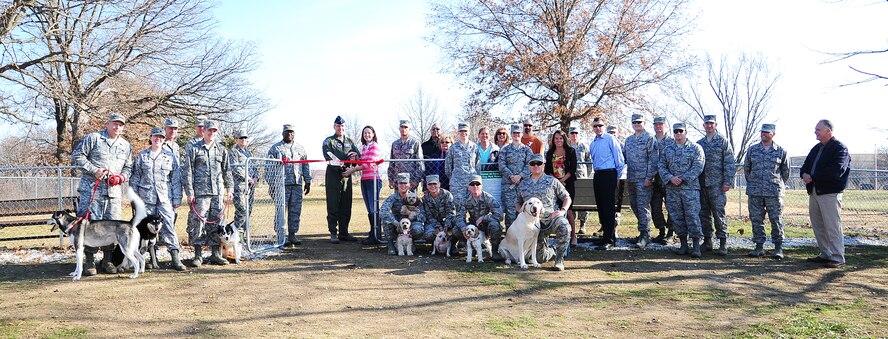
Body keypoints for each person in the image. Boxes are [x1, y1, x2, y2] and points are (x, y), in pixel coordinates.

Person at [71, 113, 133, 275]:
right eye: (114, 124)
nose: (117, 127)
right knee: (89, 225)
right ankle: (89, 262)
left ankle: (107, 260)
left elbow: (128, 167)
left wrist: (121, 177)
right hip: (92, 191)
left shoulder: (125, 145)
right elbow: (77, 156)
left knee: (111, 227)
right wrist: (94, 170)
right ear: (107, 123)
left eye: (120, 125)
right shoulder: (94, 138)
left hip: (113, 193)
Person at [130, 127, 185, 271]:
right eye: (155, 137)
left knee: (168, 226)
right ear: (151, 138)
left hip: (164, 198)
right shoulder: (142, 156)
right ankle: (150, 259)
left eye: (161, 137)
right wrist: (134, 199)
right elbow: (135, 178)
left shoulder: (170, 156)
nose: (158, 139)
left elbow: (175, 179)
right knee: (144, 228)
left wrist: (177, 198)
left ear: (164, 139)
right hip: (145, 199)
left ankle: (175, 257)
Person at [800, 119, 851, 269]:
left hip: (829, 193)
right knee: (818, 225)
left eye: (818, 130)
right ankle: (825, 254)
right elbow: (805, 165)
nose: (815, 132)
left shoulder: (840, 148)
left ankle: (837, 256)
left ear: (829, 131)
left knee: (832, 225)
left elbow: (836, 170)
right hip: (814, 192)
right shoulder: (816, 148)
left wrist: (813, 177)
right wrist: (804, 175)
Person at [182, 120, 233, 266]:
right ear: (203, 131)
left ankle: (215, 254)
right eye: (209, 130)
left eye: (214, 131)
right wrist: (190, 192)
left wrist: (230, 189)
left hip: (217, 193)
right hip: (200, 194)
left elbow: (227, 171)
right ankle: (198, 255)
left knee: (216, 224)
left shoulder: (222, 150)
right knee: (198, 223)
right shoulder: (194, 149)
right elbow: (188, 172)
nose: (212, 133)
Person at [517, 154, 572, 271]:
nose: (536, 166)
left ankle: (559, 260)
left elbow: (567, 198)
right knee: (540, 258)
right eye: (533, 164)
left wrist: (563, 211)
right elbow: (517, 202)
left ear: (543, 165)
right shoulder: (523, 184)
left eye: (539, 163)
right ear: (529, 166)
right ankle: (552, 250)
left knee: (564, 225)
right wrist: (521, 212)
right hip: (533, 225)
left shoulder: (552, 181)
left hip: (550, 220)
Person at [659, 123, 705, 258]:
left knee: (692, 216)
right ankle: (683, 245)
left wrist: (683, 178)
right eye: (676, 131)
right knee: (677, 217)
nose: (678, 134)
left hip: (689, 189)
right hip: (672, 189)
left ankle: (696, 246)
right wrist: (670, 178)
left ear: (686, 132)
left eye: (680, 131)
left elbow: (698, 166)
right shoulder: (667, 149)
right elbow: (661, 166)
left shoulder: (696, 148)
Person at [744, 124, 790, 259]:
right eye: (762, 132)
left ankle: (778, 247)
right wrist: (754, 182)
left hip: (774, 192)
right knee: (756, 220)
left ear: (773, 134)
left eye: (767, 132)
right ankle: (759, 247)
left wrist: (775, 184)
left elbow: (785, 172)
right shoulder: (752, 150)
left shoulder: (781, 151)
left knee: (776, 220)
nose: (763, 134)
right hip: (755, 192)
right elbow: (747, 169)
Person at [697, 115, 736, 256]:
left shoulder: (722, 141)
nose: (709, 126)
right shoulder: (699, 143)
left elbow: (730, 163)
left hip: (717, 185)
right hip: (702, 185)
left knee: (719, 214)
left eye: (711, 123)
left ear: (715, 124)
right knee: (704, 214)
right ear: (703, 125)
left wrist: (727, 182)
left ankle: (723, 243)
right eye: (707, 123)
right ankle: (707, 241)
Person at [267, 124, 312, 246]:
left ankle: (292, 234)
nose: (289, 134)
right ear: (283, 134)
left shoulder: (300, 148)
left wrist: (307, 181)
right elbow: (268, 167)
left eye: (292, 132)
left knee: (295, 210)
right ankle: (280, 235)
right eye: (287, 132)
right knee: (281, 210)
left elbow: (305, 165)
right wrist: (272, 185)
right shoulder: (276, 148)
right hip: (281, 185)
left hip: (297, 184)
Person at [588, 117, 624, 250]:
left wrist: (616, 178)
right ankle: (604, 236)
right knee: (601, 207)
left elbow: (619, 160)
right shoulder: (593, 143)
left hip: (609, 174)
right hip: (598, 175)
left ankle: (610, 239)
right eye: (595, 126)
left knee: (608, 208)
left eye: (600, 125)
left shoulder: (610, 139)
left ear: (604, 126)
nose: (598, 128)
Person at [324, 116, 361, 243]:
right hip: (334, 175)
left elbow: (358, 158)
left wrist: (355, 157)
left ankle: (344, 232)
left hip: (347, 176)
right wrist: (343, 167)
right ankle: (333, 232)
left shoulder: (350, 142)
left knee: (346, 205)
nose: (340, 128)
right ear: (334, 126)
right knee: (333, 204)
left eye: (343, 126)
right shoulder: (329, 141)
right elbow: (328, 155)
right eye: (338, 126)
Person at [623, 114, 657, 248]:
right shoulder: (629, 140)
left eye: (639, 122)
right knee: (634, 205)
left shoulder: (649, 138)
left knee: (643, 207)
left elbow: (653, 160)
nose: (636, 124)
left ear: (644, 123)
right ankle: (644, 232)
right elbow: (624, 157)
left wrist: (649, 177)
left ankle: (644, 235)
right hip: (631, 178)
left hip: (644, 179)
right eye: (634, 122)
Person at [454, 175, 504, 259]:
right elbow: (459, 217)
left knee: (495, 226)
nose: (475, 186)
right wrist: (464, 230)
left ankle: (495, 251)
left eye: (477, 184)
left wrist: (484, 218)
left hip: (486, 226)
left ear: (481, 186)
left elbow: (500, 215)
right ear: (469, 187)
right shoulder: (464, 199)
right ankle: (471, 247)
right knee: (456, 229)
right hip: (473, 225)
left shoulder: (489, 198)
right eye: (472, 184)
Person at [380, 173, 429, 255]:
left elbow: (423, 215)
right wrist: (396, 223)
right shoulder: (393, 197)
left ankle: (410, 243)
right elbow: (383, 211)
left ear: (409, 185)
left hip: (411, 222)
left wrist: (411, 214)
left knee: (418, 229)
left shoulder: (415, 198)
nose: (403, 185)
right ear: (397, 185)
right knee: (386, 220)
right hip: (397, 224)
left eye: (405, 183)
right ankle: (391, 245)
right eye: (400, 183)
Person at [544, 130, 577, 247]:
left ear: (564, 139)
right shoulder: (549, 153)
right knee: (554, 210)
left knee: (568, 211)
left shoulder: (571, 151)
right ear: (553, 140)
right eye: (556, 138)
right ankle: (558, 236)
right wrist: (556, 181)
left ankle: (573, 236)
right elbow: (547, 170)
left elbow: (573, 169)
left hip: (568, 184)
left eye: (560, 138)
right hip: (554, 185)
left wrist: (563, 180)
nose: (558, 140)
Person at [353, 125, 384, 245]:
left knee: (373, 208)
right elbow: (362, 162)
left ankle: (376, 234)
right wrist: (356, 158)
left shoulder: (374, 146)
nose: (367, 135)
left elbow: (368, 164)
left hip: (373, 179)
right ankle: (373, 232)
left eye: (369, 133)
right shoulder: (364, 147)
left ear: (373, 134)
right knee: (369, 208)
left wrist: (353, 170)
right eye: (365, 133)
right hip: (364, 179)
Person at [498, 124, 534, 228]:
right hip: (508, 186)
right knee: (510, 213)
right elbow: (501, 165)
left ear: (521, 134)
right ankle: (510, 239)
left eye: (518, 133)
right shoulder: (505, 150)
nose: (516, 135)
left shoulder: (527, 150)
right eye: (514, 133)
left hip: (523, 186)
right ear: (511, 134)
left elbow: (530, 166)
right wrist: (511, 176)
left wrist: (520, 176)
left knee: (524, 212)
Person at [650, 116, 675, 244]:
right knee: (655, 207)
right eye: (656, 124)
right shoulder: (650, 140)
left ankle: (670, 233)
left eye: (661, 124)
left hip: (668, 180)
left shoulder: (672, 141)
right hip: (654, 179)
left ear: (666, 126)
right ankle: (661, 231)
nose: (658, 127)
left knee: (671, 207)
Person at [230, 129, 259, 236]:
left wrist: (255, 178)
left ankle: (244, 234)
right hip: (240, 186)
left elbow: (255, 167)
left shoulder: (249, 153)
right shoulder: (234, 152)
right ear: (236, 139)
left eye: (245, 138)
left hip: (250, 186)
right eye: (241, 138)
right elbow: (235, 168)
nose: (243, 140)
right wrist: (247, 178)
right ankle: (237, 233)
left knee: (249, 210)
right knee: (241, 210)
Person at [446, 122, 479, 204]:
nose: (463, 133)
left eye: (465, 131)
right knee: (459, 209)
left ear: (469, 132)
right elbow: (448, 166)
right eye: (461, 131)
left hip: (472, 183)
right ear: (458, 133)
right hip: (457, 184)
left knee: (474, 207)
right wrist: (454, 178)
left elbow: (478, 165)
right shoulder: (453, 148)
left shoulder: (474, 147)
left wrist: (477, 180)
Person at [388, 119, 424, 190]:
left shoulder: (415, 143)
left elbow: (420, 163)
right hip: (397, 181)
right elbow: (391, 163)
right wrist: (390, 179)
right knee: (397, 200)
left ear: (409, 129)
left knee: (411, 200)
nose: (403, 129)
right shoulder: (395, 144)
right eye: (402, 127)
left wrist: (417, 180)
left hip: (410, 181)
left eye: (406, 127)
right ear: (399, 128)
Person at [568, 126, 591, 235]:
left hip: (582, 177)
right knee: (571, 202)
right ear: (569, 135)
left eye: (576, 133)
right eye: (572, 133)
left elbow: (589, 162)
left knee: (584, 202)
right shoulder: (566, 147)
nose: (574, 135)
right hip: (569, 178)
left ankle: (583, 225)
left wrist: (586, 174)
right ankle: (571, 225)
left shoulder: (584, 146)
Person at [422, 174, 457, 246]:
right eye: (430, 184)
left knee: (456, 228)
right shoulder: (425, 198)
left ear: (439, 184)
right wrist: (438, 226)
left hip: (447, 222)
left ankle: (452, 245)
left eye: (434, 184)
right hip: (434, 223)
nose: (432, 186)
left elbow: (451, 212)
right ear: (427, 186)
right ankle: (436, 245)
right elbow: (429, 216)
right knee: (429, 235)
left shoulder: (447, 195)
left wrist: (446, 226)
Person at [608, 125, 627, 228]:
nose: (613, 135)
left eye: (614, 132)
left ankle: (615, 225)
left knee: (617, 201)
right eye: (610, 133)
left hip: (619, 178)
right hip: (607, 176)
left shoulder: (621, 145)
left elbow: (623, 162)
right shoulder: (604, 144)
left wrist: (619, 177)